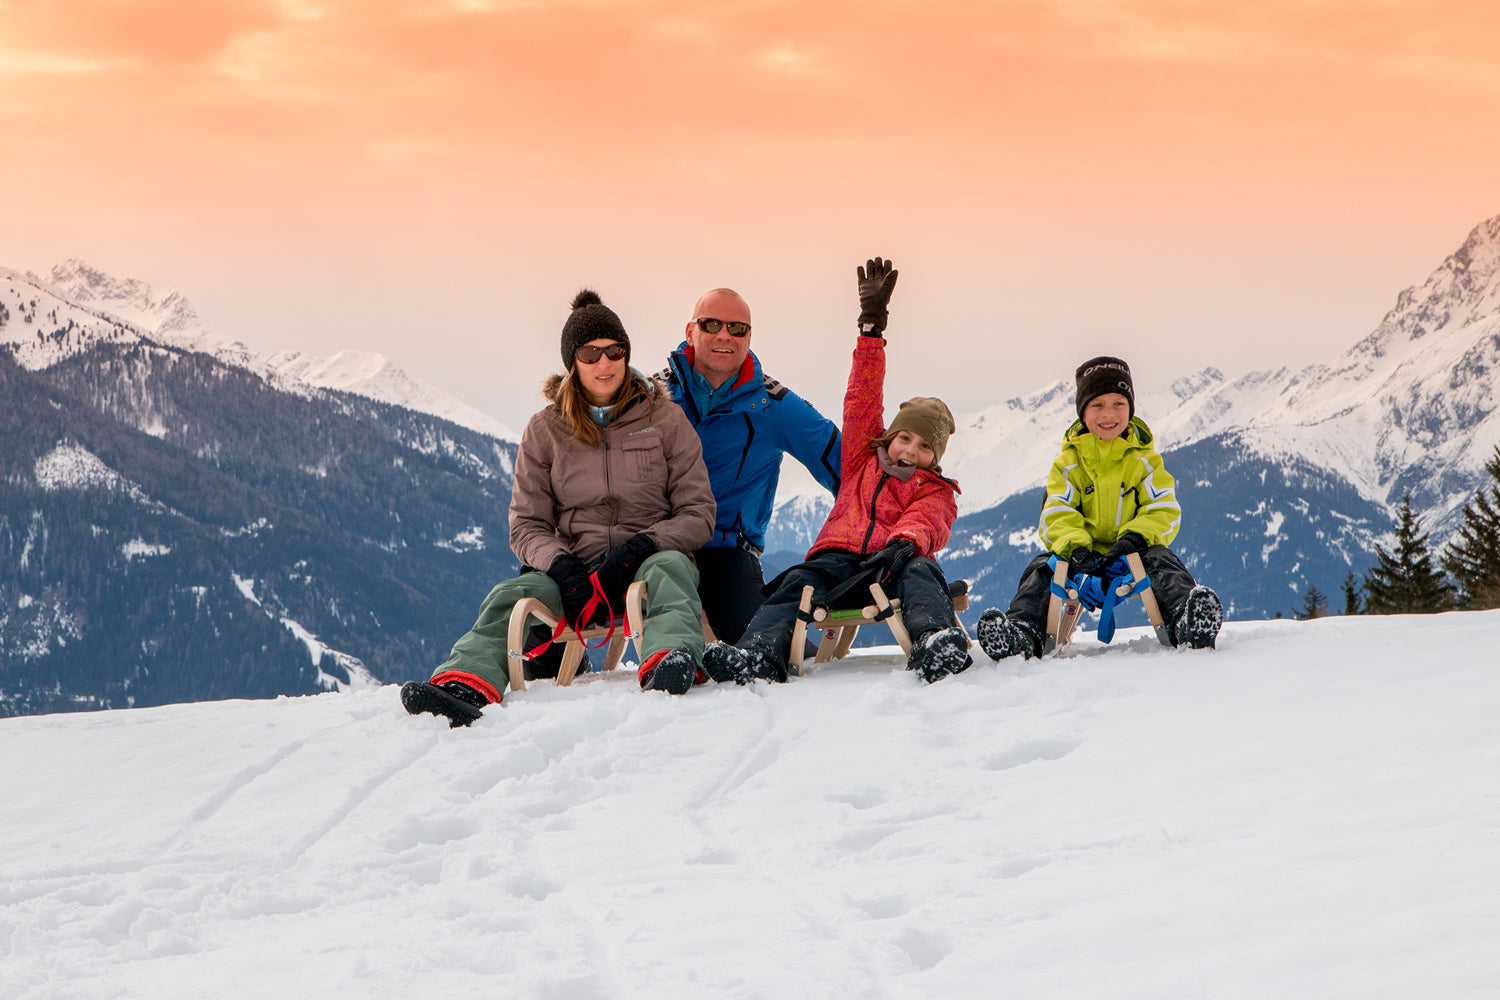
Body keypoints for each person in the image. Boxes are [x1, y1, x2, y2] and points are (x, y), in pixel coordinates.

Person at [402, 290, 716, 726]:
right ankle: (465, 681)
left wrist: (644, 546)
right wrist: (560, 565)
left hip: (647, 561)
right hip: (574, 570)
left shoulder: (665, 421)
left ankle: (671, 661)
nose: (604, 363)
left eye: (614, 351)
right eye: (590, 354)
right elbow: (526, 524)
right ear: (573, 362)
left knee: (672, 573)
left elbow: (698, 511)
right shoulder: (545, 430)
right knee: (512, 594)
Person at [700, 257, 971, 685]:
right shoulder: (862, 458)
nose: (909, 450)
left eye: (923, 447)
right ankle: (757, 654)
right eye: (904, 438)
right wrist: (871, 330)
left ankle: (937, 641)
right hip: (836, 562)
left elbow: (928, 521)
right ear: (888, 436)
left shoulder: (935, 490)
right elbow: (862, 396)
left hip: (893, 563)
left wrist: (905, 544)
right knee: (793, 584)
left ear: (932, 460)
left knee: (924, 572)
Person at [976, 356, 1223, 659]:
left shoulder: (1144, 462)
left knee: (1163, 561)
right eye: (1098, 405)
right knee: (1041, 569)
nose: (1109, 414)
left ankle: (1186, 622)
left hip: (1131, 553)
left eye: (1119, 403)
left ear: (1130, 408)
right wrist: (1077, 549)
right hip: (1081, 557)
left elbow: (1163, 507)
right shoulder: (1068, 463)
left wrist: (1135, 538)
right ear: (1082, 413)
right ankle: (1022, 633)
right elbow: (1056, 511)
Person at [656, 287, 841, 645]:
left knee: (764, 647)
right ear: (690, 331)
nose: (725, 335)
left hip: (725, 549)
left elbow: (844, 467)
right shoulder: (653, 397)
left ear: (749, 336)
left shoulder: (772, 405)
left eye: (737, 328)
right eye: (711, 324)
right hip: (657, 544)